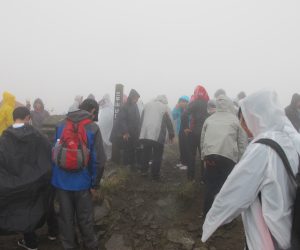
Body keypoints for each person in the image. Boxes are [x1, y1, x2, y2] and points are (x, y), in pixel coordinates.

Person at [202, 90, 300, 250]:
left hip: (270, 232)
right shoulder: (292, 138)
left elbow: (235, 192)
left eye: (243, 119)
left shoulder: (262, 149)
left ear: (253, 117)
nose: (242, 124)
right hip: (293, 224)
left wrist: (210, 223)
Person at [51, 98, 106, 250]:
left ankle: (69, 246)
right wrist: (95, 184)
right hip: (83, 183)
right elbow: (99, 160)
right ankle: (90, 246)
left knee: (65, 220)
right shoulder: (92, 128)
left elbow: (54, 152)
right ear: (92, 111)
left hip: (61, 182)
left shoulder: (61, 124)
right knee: (85, 219)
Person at [0, 107, 52, 250]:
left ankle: (30, 242)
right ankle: (40, 238)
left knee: (20, 210)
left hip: (14, 183)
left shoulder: (4, 138)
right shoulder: (36, 135)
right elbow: (47, 153)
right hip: (34, 181)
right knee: (32, 208)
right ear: (28, 117)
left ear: (13, 118)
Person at [200, 95, 247, 216]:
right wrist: (241, 161)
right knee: (226, 187)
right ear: (230, 105)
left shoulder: (209, 119)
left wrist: (203, 157)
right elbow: (242, 142)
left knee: (210, 186)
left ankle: (207, 214)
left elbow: (202, 140)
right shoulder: (235, 120)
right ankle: (223, 217)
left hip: (210, 156)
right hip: (228, 157)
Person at [139, 95, 175, 180]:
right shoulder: (164, 107)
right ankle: (155, 174)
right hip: (157, 134)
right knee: (157, 155)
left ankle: (143, 171)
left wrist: (141, 132)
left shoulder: (147, 105)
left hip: (146, 133)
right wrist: (171, 134)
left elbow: (142, 119)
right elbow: (168, 121)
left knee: (145, 153)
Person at [182, 85, 210, 180]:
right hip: (205, 133)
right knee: (204, 156)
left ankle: (190, 177)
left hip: (193, 132)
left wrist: (186, 127)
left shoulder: (194, 103)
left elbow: (184, 114)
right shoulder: (208, 104)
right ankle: (204, 177)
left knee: (191, 155)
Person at [110, 89, 141, 169]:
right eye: (136, 98)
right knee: (127, 149)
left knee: (133, 148)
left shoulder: (135, 105)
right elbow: (122, 120)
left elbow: (137, 118)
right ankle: (126, 166)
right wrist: (125, 132)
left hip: (133, 132)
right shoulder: (124, 106)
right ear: (132, 97)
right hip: (125, 133)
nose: (137, 100)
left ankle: (132, 165)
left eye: (137, 98)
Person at [172, 96, 190, 169]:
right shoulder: (178, 109)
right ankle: (182, 162)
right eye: (181, 102)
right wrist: (176, 108)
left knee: (186, 147)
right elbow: (173, 116)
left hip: (187, 130)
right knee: (182, 147)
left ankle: (186, 164)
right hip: (180, 130)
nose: (183, 103)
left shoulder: (189, 109)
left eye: (185, 102)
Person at [98, 94, 114, 160]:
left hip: (106, 129)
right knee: (106, 144)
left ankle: (107, 158)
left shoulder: (109, 108)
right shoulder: (106, 108)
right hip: (104, 129)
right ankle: (106, 158)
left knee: (107, 144)